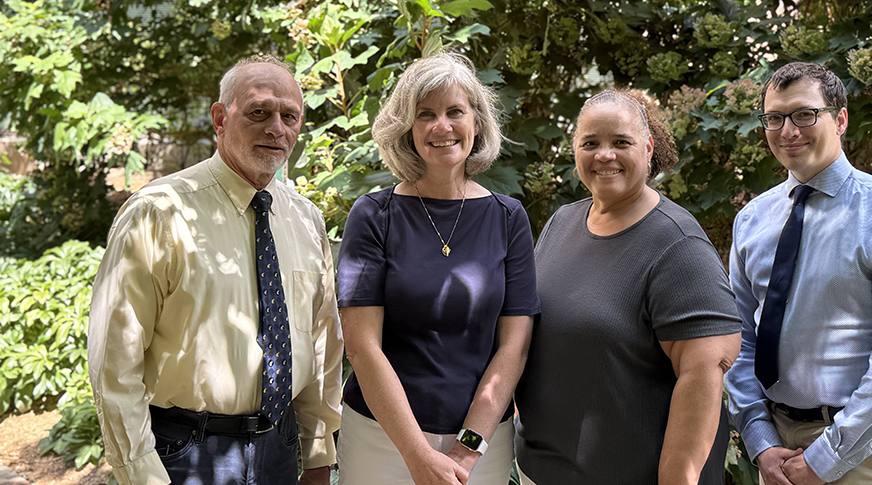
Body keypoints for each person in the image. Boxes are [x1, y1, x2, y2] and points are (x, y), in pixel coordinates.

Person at [88, 54, 342, 485]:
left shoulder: (306, 219)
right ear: (221, 119)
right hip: (184, 454)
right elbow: (114, 362)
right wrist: (143, 475)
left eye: (289, 116)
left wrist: (318, 451)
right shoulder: (158, 212)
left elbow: (321, 345)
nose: (277, 128)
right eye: (259, 112)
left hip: (279, 450)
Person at [514, 89, 742, 485]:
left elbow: (704, 375)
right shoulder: (561, 223)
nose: (604, 155)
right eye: (590, 143)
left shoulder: (677, 245)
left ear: (649, 148)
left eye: (621, 142)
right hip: (541, 471)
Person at [726, 61, 872, 485]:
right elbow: (739, 338)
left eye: (805, 114)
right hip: (778, 448)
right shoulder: (751, 221)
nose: (788, 131)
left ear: (840, 120)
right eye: (774, 117)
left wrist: (826, 456)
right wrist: (759, 436)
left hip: (868, 450)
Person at [335, 52, 540, 485]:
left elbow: (515, 347)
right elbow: (361, 347)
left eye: (455, 112)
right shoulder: (375, 214)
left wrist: (467, 450)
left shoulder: (508, 217)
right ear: (407, 129)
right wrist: (417, 454)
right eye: (425, 114)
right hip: (381, 439)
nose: (441, 126)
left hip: (483, 442)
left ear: (477, 123)